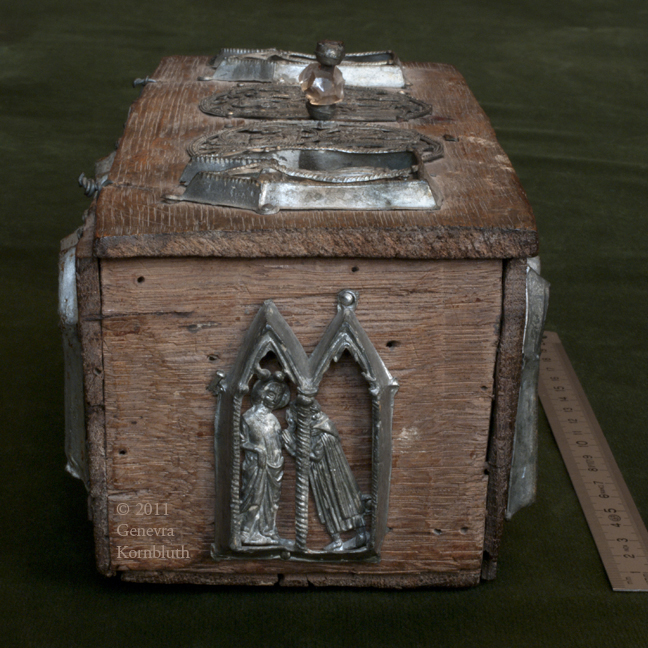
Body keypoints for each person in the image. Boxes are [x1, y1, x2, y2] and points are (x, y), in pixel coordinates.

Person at [283, 400, 369, 551]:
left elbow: (314, 455)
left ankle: (360, 535)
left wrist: (293, 446)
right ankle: (337, 540)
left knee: (340, 502)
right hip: (321, 474)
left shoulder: (322, 429)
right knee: (326, 504)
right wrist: (291, 432)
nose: (295, 421)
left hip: (332, 476)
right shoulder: (314, 427)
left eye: (296, 417)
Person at [239, 373, 291, 546]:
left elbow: (278, 442)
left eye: (277, 396)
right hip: (256, 464)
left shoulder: (273, 419)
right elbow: (240, 441)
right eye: (271, 394)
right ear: (262, 393)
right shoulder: (248, 417)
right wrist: (257, 449)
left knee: (272, 501)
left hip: (274, 465)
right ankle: (246, 532)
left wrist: (288, 437)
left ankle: (268, 531)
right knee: (254, 497)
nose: (273, 399)